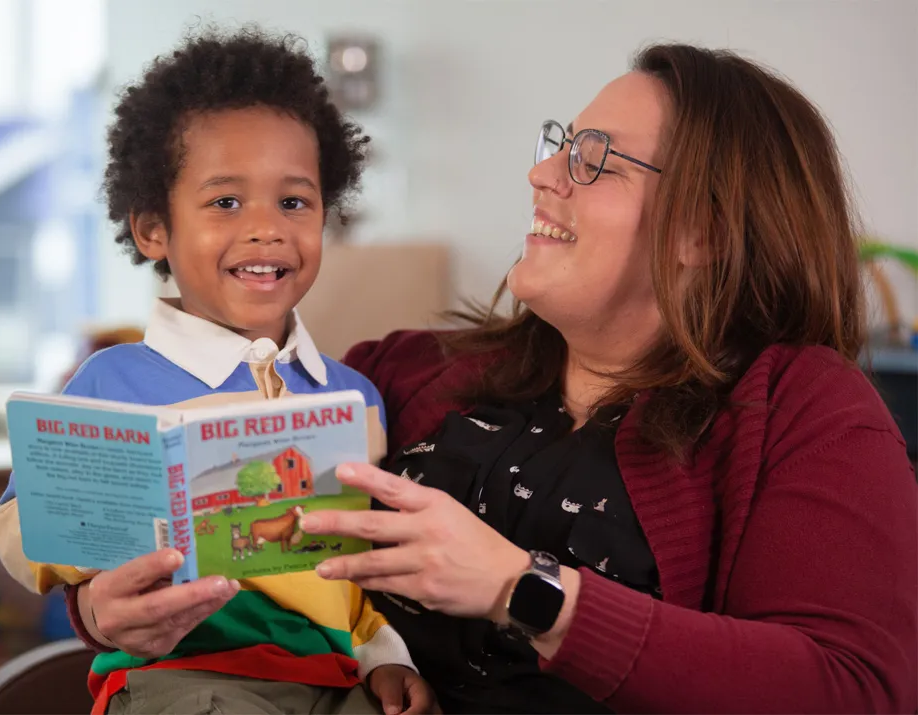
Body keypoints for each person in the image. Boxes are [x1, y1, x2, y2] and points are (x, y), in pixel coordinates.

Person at [300, 44, 918, 713]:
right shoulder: (405, 368)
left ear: (702, 230)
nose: (542, 173)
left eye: (594, 158)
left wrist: (522, 588)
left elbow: (855, 688)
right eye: (560, 143)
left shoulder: (807, 411)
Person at [0, 28, 435, 715]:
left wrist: (386, 657)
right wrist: (98, 553)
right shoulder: (112, 380)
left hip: (329, 677)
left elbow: (356, 575)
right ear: (152, 230)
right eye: (226, 201)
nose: (266, 228)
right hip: (182, 671)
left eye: (294, 201)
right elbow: (23, 529)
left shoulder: (354, 395)